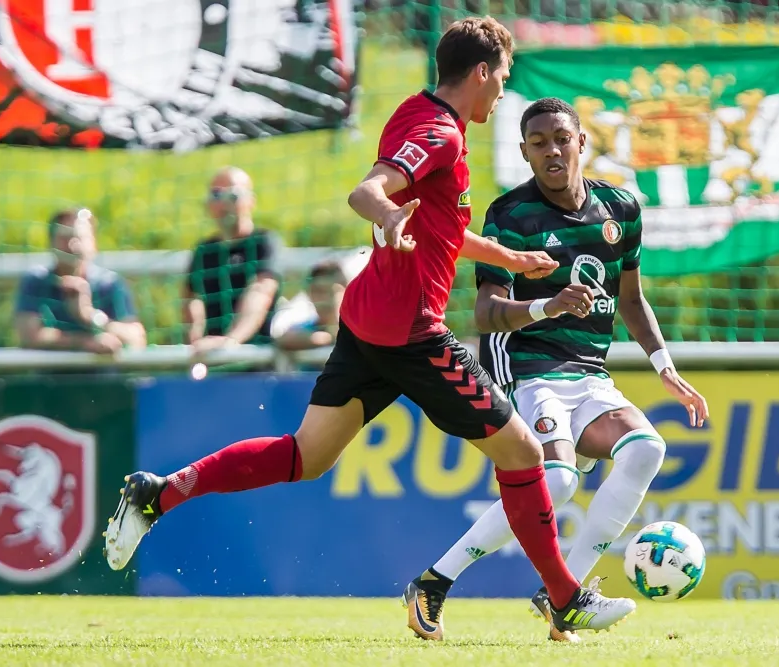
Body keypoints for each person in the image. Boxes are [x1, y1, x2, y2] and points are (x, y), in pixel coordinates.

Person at [103, 18, 636, 641]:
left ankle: (156, 494)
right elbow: (370, 191)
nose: (502, 94)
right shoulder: (440, 132)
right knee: (523, 454)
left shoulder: (422, 112)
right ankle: (566, 598)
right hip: (410, 330)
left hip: (368, 320)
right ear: (484, 72)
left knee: (306, 456)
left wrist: (508, 258)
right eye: (503, 80)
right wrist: (385, 215)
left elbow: (434, 226)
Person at [413, 98, 710, 642]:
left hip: (590, 377)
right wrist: (549, 305)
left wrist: (664, 366)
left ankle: (563, 593)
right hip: (526, 369)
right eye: (538, 142)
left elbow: (633, 300)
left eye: (560, 138)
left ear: (582, 143)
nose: (552, 149)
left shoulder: (620, 209)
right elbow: (484, 313)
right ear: (525, 154)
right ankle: (435, 582)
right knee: (559, 481)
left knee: (647, 448)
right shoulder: (509, 216)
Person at [14, 208, 146, 354]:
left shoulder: (109, 283)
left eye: (79, 238)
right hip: (51, 376)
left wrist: (89, 315)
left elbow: (135, 338)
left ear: (93, 243)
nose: (72, 245)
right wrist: (84, 342)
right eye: (65, 238)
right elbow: (30, 337)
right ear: (51, 243)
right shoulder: (36, 282)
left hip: (104, 376)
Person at [184, 167, 281, 354]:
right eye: (216, 195)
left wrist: (232, 340)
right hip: (211, 354)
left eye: (234, 196)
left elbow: (261, 292)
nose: (224, 203)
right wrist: (194, 337)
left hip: (258, 356)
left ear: (251, 201)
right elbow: (188, 296)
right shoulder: (204, 250)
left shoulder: (263, 242)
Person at [274, 259, 348, 351]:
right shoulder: (305, 328)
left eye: (331, 291)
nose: (324, 298)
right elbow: (283, 339)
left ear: (347, 292)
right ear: (309, 294)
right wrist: (328, 338)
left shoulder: (360, 328)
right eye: (318, 291)